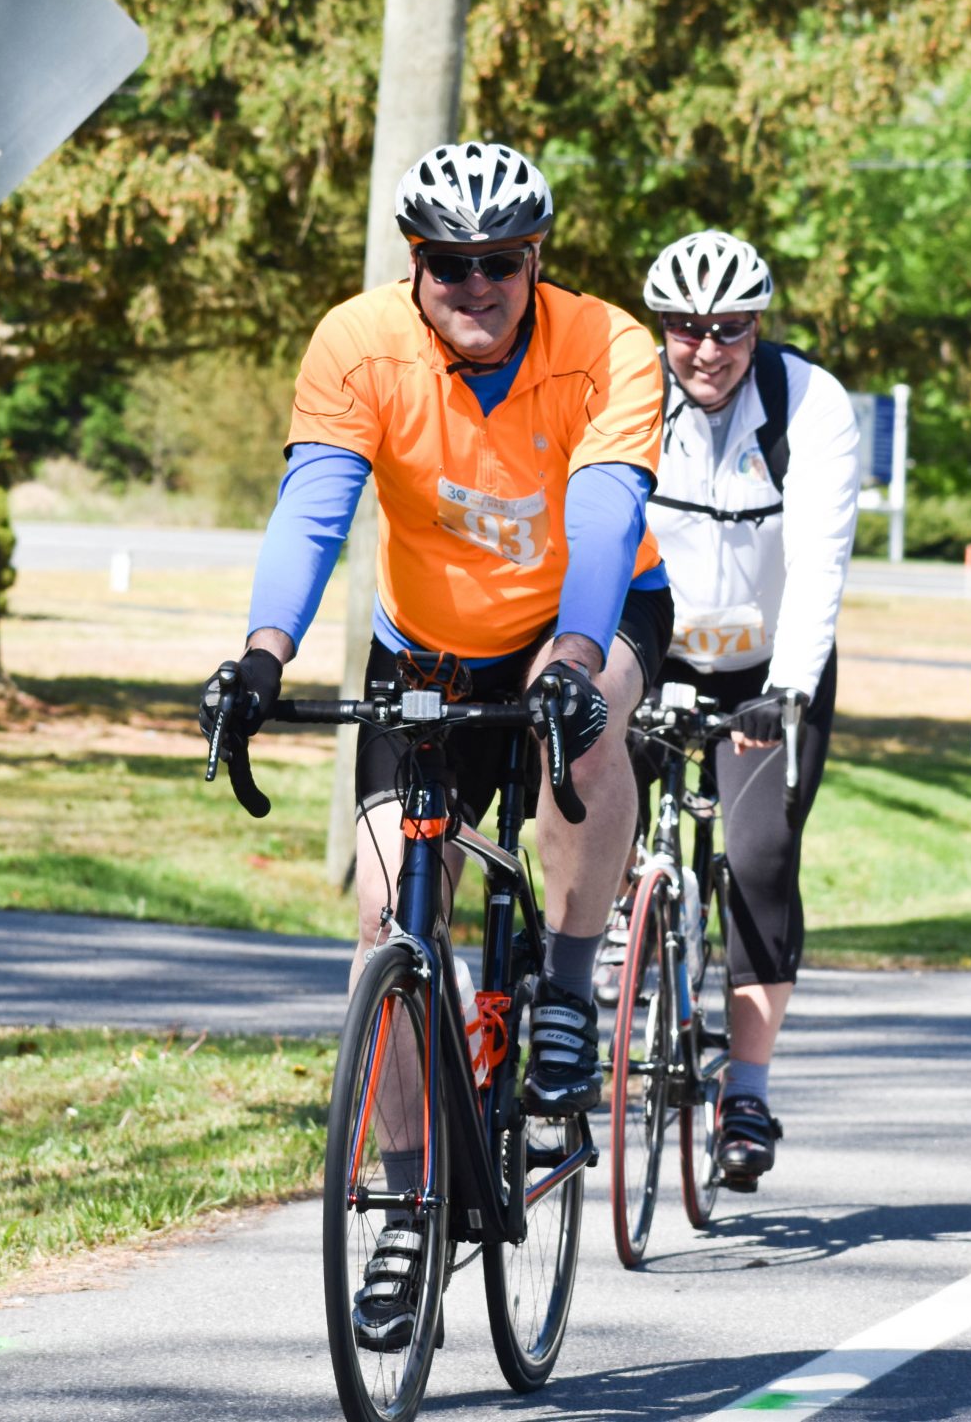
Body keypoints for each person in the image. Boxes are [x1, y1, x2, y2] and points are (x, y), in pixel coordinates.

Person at [197, 140, 671, 1346]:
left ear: (534, 261)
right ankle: (408, 1198)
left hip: (587, 612)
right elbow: (314, 501)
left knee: (592, 717)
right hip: (426, 643)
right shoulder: (357, 344)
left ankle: (564, 981)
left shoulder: (609, 346)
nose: (474, 285)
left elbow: (608, 507)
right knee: (384, 921)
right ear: (415, 265)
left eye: (498, 263)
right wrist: (262, 654)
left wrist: (570, 655)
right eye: (448, 264)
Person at [602, 228, 860, 1191]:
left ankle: (746, 1086)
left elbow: (822, 562)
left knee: (757, 855)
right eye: (683, 328)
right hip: (653, 646)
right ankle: (604, 961)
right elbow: (592, 526)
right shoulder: (627, 393)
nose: (705, 349)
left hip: (767, 666)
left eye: (729, 328)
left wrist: (790, 687)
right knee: (587, 798)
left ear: (758, 325)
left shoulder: (810, 403)